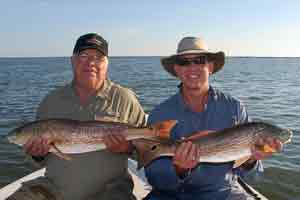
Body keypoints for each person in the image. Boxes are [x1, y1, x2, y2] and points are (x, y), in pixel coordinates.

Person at [7, 33, 147, 200]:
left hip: (110, 191)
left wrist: (126, 148)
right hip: (53, 190)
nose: (91, 62)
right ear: (72, 60)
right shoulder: (51, 100)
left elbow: (146, 148)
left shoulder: (125, 98)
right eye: (84, 55)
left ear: (106, 64)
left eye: (98, 57)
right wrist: (37, 154)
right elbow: (37, 160)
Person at [143, 36, 282, 200]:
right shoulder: (160, 114)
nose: (192, 67)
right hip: (173, 196)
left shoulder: (235, 108)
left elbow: (251, 177)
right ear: (177, 69)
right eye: (184, 62)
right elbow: (155, 179)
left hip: (223, 194)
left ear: (210, 66)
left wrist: (251, 160)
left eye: (199, 60)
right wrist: (179, 169)